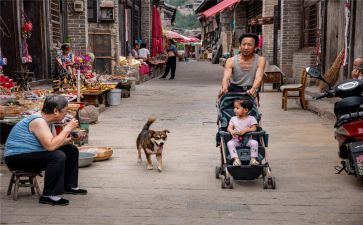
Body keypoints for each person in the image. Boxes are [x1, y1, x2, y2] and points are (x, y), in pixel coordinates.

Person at [4, 95, 87, 206]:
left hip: (30, 154)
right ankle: (49, 195)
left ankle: (69, 186)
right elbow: (51, 147)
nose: (66, 114)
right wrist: (67, 128)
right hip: (16, 158)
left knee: (70, 150)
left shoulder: (47, 120)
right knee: (57, 156)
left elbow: (53, 143)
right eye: (65, 111)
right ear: (56, 111)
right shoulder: (38, 121)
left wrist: (71, 139)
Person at [220, 33, 266, 98]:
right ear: (240, 46)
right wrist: (224, 87)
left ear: (255, 47)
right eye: (243, 44)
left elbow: (259, 77)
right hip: (233, 91)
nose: (246, 48)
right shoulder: (230, 61)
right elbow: (226, 77)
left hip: (250, 90)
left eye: (249, 45)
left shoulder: (260, 60)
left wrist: (254, 88)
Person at [227, 99, 259, 166]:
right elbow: (229, 128)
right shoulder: (233, 119)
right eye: (234, 108)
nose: (234, 110)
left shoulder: (251, 118)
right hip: (236, 140)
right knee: (230, 143)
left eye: (237, 108)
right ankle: (236, 159)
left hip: (247, 140)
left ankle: (253, 159)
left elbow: (254, 128)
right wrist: (231, 130)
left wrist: (246, 130)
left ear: (246, 110)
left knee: (254, 143)